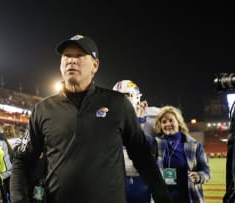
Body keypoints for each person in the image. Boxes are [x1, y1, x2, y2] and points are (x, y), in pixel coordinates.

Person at [10, 34, 172, 203]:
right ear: (60, 65)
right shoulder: (43, 109)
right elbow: (22, 160)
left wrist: (163, 197)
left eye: (79, 56)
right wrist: (18, 199)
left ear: (95, 65)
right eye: (67, 56)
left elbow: (142, 156)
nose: (72, 61)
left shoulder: (117, 103)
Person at [113, 80, 159, 203]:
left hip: (143, 179)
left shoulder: (154, 115)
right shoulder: (109, 118)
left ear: (136, 97)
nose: (122, 100)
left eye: (126, 95)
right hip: (118, 179)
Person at [154, 105, 211, 203]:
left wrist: (198, 176)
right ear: (160, 125)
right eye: (164, 122)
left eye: (171, 120)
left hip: (189, 197)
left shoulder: (194, 145)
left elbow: (207, 172)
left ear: (179, 122)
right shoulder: (155, 144)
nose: (167, 124)